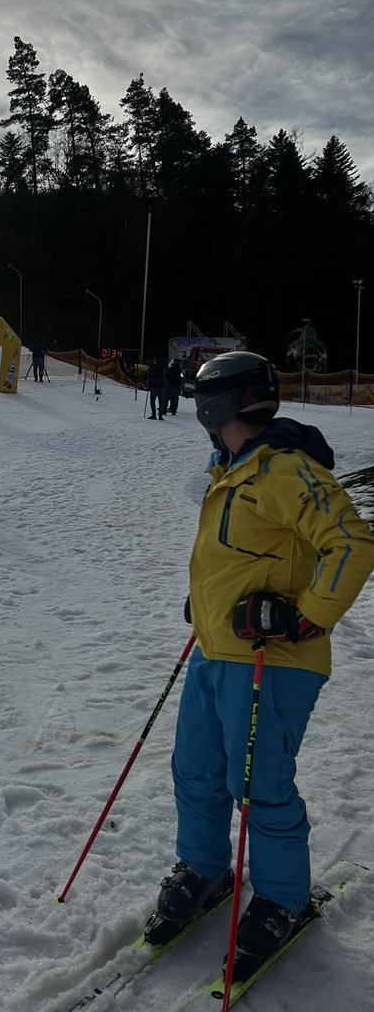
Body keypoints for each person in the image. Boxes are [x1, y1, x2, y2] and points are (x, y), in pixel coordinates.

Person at [144, 351, 374, 981]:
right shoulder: (233, 469)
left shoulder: (284, 470)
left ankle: (280, 898)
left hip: (272, 663)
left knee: (259, 786)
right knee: (196, 769)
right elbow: (241, 557)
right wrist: (209, 602)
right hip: (215, 653)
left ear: (219, 406)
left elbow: (352, 541)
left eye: (201, 402)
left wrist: (304, 617)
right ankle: (204, 868)